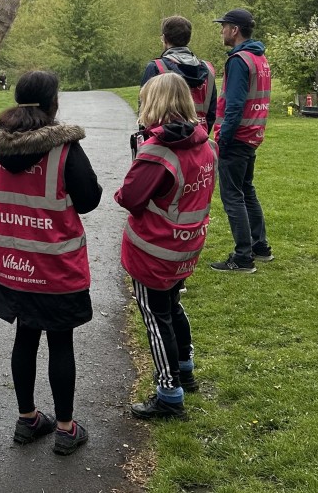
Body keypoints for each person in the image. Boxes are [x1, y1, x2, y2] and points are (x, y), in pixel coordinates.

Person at [0, 71, 101, 456]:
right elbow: (87, 199)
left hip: (14, 265)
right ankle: (66, 428)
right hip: (55, 266)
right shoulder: (64, 148)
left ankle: (27, 418)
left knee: (26, 335)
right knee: (60, 341)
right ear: (53, 103)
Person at [115, 73, 218, 420]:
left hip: (153, 248)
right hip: (187, 246)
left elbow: (129, 197)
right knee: (173, 306)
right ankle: (185, 367)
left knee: (155, 317)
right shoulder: (205, 144)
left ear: (153, 103)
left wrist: (140, 156)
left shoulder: (157, 151)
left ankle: (168, 392)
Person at [208, 9, 272, 273]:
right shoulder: (259, 57)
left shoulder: (238, 60)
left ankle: (243, 257)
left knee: (233, 196)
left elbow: (233, 105)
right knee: (247, 190)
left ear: (235, 30)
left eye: (223, 26)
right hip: (252, 135)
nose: (221, 31)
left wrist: (222, 139)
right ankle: (260, 247)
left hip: (236, 138)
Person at [141, 15, 218, 132]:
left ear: (164, 38)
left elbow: (145, 112)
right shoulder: (208, 70)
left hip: (163, 140)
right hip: (198, 138)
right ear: (189, 39)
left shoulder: (156, 68)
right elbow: (211, 113)